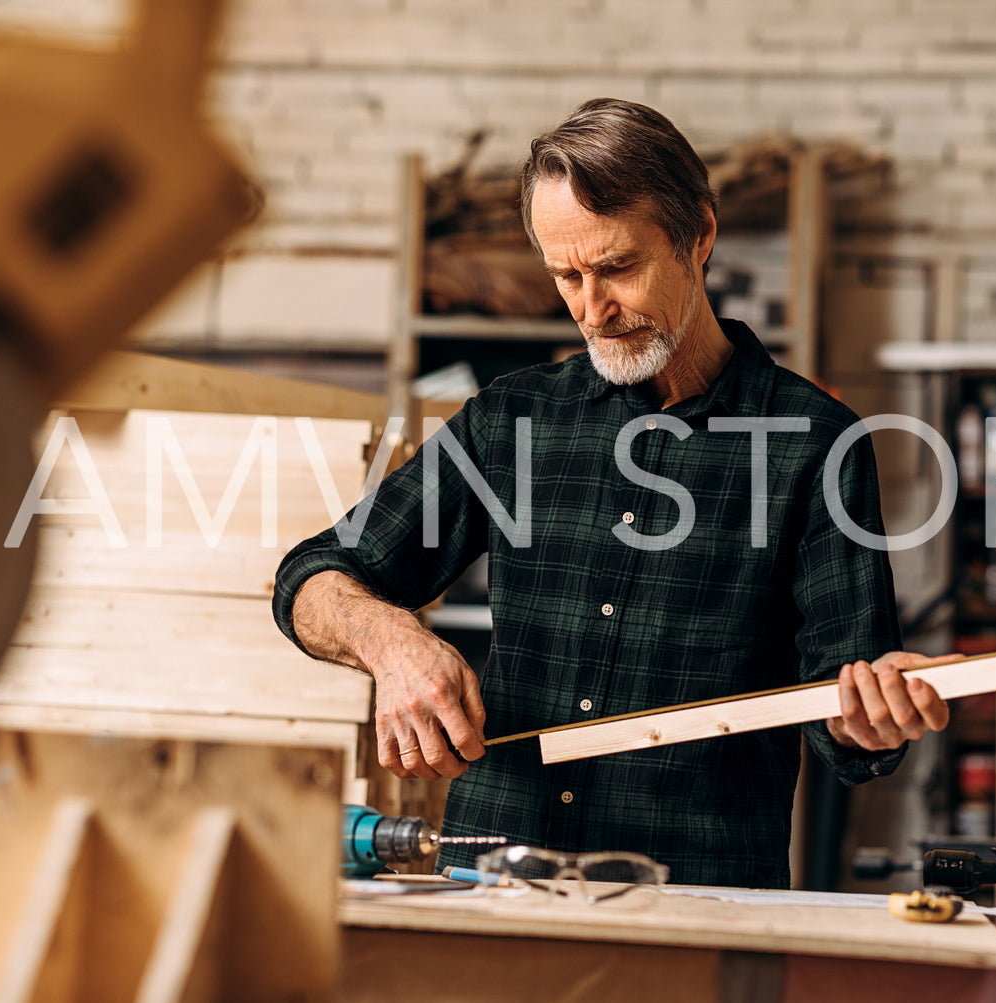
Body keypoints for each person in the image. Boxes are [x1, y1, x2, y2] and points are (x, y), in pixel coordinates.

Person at [272, 98, 949, 889]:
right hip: (496, 885)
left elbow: (851, 716)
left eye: (618, 268)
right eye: (567, 276)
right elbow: (309, 576)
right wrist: (391, 643)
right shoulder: (512, 417)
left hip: (699, 898)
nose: (592, 309)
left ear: (698, 234)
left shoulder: (815, 442)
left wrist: (867, 714)